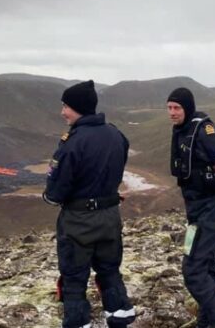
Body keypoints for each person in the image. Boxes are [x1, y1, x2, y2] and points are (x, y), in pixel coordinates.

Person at [43, 80, 135, 328]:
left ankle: (77, 323)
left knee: (74, 279)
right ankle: (120, 317)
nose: (63, 112)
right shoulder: (116, 135)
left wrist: (49, 196)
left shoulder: (72, 142)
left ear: (78, 107)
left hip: (78, 223)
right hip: (109, 218)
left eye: (66, 107)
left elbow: (56, 191)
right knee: (109, 271)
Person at [167, 87, 215, 328]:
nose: (172, 113)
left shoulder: (206, 133)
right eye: (169, 107)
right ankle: (207, 320)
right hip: (196, 209)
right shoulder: (182, 131)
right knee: (207, 263)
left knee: (192, 269)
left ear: (187, 108)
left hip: (214, 206)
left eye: (177, 108)